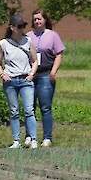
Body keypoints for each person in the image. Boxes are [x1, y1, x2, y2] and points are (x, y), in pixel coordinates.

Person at [0, 13, 38, 149]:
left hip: (25, 80)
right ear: (12, 27)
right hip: (10, 81)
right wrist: (2, 74)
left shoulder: (28, 41)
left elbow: (35, 60)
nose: (22, 29)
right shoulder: (3, 43)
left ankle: (34, 139)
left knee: (29, 110)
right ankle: (16, 141)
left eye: (23, 26)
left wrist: (31, 74)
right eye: (19, 26)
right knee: (14, 111)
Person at [28, 9, 65, 147]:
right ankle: (29, 136)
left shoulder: (53, 35)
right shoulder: (28, 36)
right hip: (31, 75)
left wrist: (53, 72)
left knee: (45, 107)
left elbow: (59, 54)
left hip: (45, 74)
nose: (37, 21)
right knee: (29, 106)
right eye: (35, 19)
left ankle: (47, 137)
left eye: (39, 19)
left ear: (45, 20)